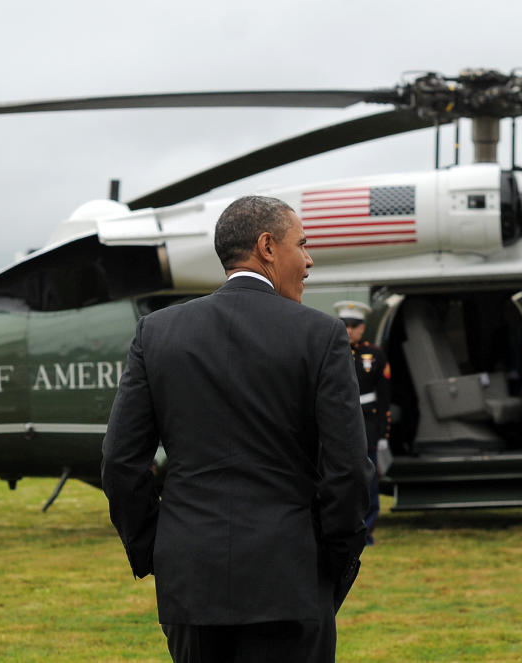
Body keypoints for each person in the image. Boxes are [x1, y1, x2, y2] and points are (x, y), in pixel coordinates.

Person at [101, 195, 373, 663]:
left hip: (191, 580)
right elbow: (347, 470)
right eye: (302, 245)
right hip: (291, 578)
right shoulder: (320, 335)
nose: (309, 261)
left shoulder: (157, 332)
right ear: (267, 247)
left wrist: (160, 548)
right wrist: (331, 563)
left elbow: (120, 463)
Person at [334, 301, 391, 546]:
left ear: (363, 328)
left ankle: (366, 530)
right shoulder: (332, 351)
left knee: (368, 482)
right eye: (344, 325)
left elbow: (385, 396)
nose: (348, 330)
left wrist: (383, 435)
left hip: (367, 426)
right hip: (338, 424)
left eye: (354, 325)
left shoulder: (375, 355)